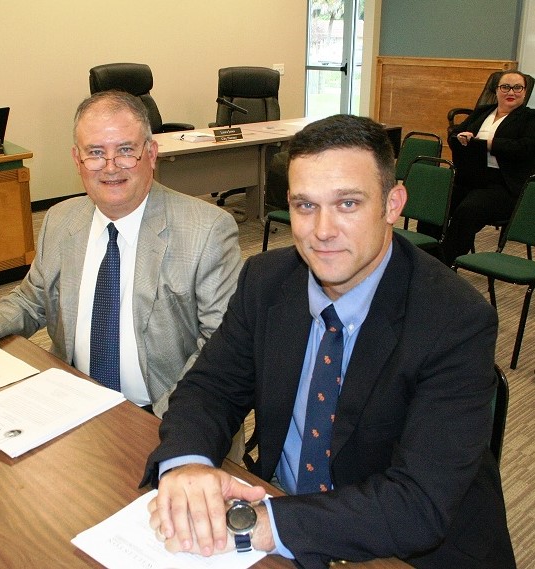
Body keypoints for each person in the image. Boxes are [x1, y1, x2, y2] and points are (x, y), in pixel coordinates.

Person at [142, 114, 515, 568]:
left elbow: (417, 502)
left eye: (348, 204)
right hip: (285, 507)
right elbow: (211, 387)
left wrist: (259, 523)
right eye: (304, 206)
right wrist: (188, 463)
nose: (322, 230)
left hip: (404, 549)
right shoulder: (266, 280)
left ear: (393, 204)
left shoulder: (454, 320)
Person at [0, 90, 242, 420]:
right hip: (72, 403)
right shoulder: (60, 220)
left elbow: (220, 346)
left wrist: (155, 423)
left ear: (152, 154)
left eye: (125, 150)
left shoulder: (208, 230)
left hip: (163, 413)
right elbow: (31, 300)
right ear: (77, 160)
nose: (110, 168)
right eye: (95, 153)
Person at [441, 70, 535, 265]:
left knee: (467, 211)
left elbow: (525, 148)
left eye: (518, 87)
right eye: (505, 87)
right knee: (438, 201)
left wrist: (490, 143)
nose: (512, 92)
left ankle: (444, 263)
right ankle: (427, 254)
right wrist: (461, 138)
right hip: (472, 177)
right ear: (497, 90)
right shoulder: (483, 111)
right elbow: (454, 133)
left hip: (505, 185)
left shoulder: (529, 118)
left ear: (525, 92)